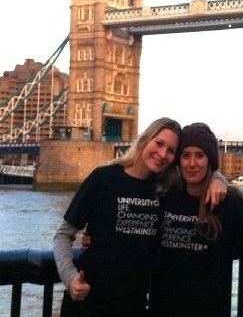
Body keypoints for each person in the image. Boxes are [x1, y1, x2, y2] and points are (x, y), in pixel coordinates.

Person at [53, 117, 227, 317]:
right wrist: (70, 278)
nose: (162, 154)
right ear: (145, 139)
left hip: (133, 306)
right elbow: (63, 234)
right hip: (88, 301)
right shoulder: (104, 178)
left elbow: (198, 175)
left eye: (171, 151)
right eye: (159, 143)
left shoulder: (166, 188)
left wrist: (217, 178)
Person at [149, 122, 243, 317]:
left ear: (210, 161)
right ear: (178, 160)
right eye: (186, 155)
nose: (192, 163)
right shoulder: (166, 197)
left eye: (200, 155)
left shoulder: (229, 204)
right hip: (163, 309)